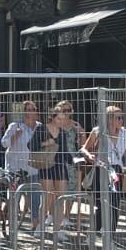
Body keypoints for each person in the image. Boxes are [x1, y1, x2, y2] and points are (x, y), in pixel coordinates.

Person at [81, 104, 126, 237]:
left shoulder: (124, 132)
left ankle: (110, 235)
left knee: (115, 204)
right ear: (110, 119)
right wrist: (88, 155)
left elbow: (124, 151)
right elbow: (84, 148)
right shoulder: (98, 131)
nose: (121, 121)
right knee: (101, 203)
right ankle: (95, 232)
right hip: (101, 168)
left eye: (122, 118)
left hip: (116, 170)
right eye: (118, 118)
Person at [31, 100, 80, 239]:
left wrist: (76, 161)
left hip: (60, 167)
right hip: (46, 166)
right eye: (58, 118)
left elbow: (65, 152)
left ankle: (57, 230)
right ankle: (40, 226)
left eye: (62, 119)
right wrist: (46, 143)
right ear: (52, 117)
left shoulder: (62, 133)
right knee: (47, 198)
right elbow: (31, 145)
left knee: (60, 198)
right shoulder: (41, 129)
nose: (60, 121)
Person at [1, 100, 42, 231]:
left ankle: (35, 223)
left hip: (33, 168)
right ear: (24, 113)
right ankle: (10, 219)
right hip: (15, 168)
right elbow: (4, 143)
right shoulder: (15, 126)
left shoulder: (40, 127)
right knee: (14, 197)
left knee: (35, 198)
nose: (31, 112)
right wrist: (15, 136)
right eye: (28, 110)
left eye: (33, 109)